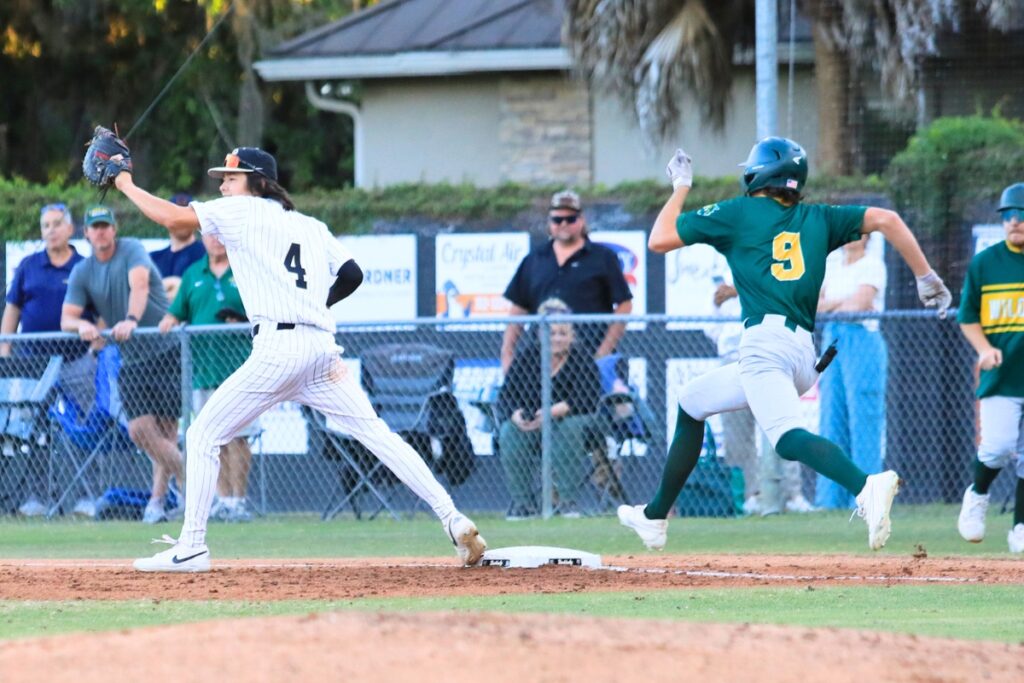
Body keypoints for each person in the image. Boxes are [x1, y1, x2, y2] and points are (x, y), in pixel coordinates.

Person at [106, 145, 485, 571]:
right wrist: (314, 306)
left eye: (232, 177)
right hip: (321, 349)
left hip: (280, 347)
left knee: (202, 435)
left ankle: (192, 546)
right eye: (223, 179)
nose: (224, 185)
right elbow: (353, 274)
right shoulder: (310, 225)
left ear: (258, 183)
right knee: (379, 436)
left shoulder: (245, 211)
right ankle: (452, 518)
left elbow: (172, 218)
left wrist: (123, 182)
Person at [617, 137, 951, 551]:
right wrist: (926, 277)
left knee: (787, 439)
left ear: (757, 173)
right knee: (690, 402)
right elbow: (887, 219)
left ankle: (866, 485)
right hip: (801, 353)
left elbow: (659, 239)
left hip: (764, 345)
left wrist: (681, 185)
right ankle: (653, 517)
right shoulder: (820, 218)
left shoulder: (739, 211)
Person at [61, 205, 185, 524]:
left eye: (105, 226)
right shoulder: (83, 270)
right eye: (94, 227)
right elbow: (67, 318)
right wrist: (83, 327)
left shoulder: (131, 249)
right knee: (139, 431)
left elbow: (140, 285)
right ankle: (195, 482)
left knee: (166, 434)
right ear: (85, 233)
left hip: (165, 347)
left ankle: (156, 504)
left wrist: (131, 319)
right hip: (132, 357)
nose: (100, 232)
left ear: (114, 229)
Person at [159, 232, 254, 523]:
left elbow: (264, 311)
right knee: (215, 439)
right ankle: (223, 500)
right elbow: (176, 312)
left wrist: (241, 320)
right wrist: (166, 322)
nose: (216, 241)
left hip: (240, 368)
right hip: (203, 369)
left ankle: (239, 500)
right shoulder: (192, 274)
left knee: (239, 436)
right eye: (211, 236)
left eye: (221, 235)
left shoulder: (245, 269)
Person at [1, 202, 87, 516]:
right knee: (30, 431)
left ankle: (84, 500)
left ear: (69, 228)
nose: (50, 230)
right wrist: (5, 354)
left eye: (56, 224)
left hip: (76, 362)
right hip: (31, 365)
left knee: (83, 428)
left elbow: (99, 312)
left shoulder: (83, 266)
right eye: (45, 225)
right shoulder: (28, 265)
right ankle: (36, 497)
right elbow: (12, 311)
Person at [709, 273, 813, 516]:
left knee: (782, 427)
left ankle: (792, 495)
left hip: (768, 359)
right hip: (731, 361)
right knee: (737, 436)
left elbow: (780, 298)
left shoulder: (768, 264)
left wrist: (740, 289)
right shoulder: (718, 281)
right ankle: (750, 495)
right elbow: (711, 327)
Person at [956, 181, 1024, 553]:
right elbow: (968, 316)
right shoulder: (986, 263)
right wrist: (983, 348)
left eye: (1021, 215)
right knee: (997, 447)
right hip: (1002, 374)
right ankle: (977, 495)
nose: (1014, 221)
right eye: (1008, 216)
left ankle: (1021, 527)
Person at [500, 190, 633, 374]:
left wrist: (603, 352)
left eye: (570, 219)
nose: (563, 224)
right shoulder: (534, 259)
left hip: (588, 357)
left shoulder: (603, 257)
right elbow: (518, 309)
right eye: (557, 219)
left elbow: (624, 305)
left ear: (582, 220)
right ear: (549, 222)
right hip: (541, 362)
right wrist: (507, 352)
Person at [497, 298, 603, 519]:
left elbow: (590, 398)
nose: (557, 338)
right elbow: (506, 396)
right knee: (509, 432)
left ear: (571, 336)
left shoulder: (581, 357)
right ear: (541, 335)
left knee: (568, 429)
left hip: (574, 422)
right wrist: (516, 416)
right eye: (552, 333)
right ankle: (523, 504)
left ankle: (567, 502)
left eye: (563, 334)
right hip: (534, 424)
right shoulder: (528, 356)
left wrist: (553, 411)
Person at [816, 233, 888, 509]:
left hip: (862, 338)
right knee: (832, 418)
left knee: (864, 419)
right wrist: (841, 304)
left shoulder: (872, 264)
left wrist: (836, 304)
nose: (849, 238)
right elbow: (816, 306)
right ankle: (830, 502)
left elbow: (859, 305)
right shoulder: (832, 266)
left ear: (867, 237)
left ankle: (867, 497)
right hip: (833, 340)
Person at [148, 193, 206, 301]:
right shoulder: (153, 258)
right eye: (176, 216)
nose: (181, 221)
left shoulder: (208, 254)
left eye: (185, 216)